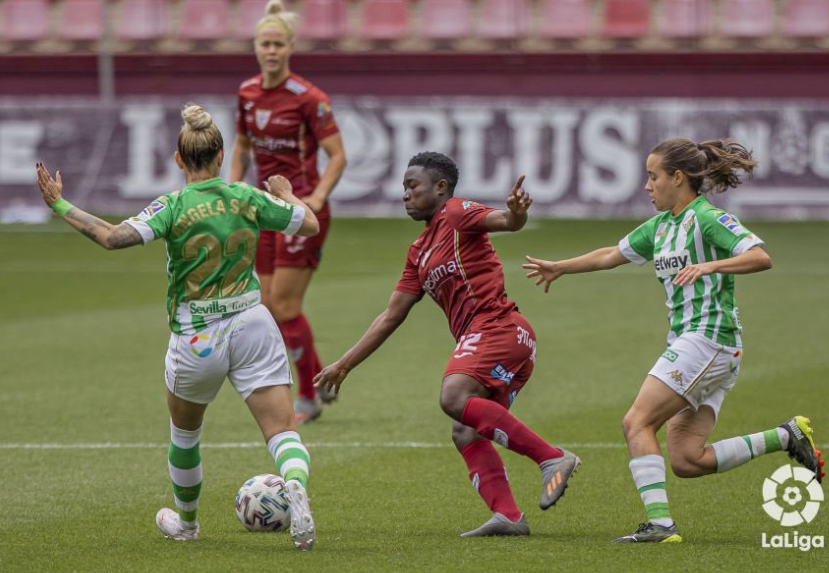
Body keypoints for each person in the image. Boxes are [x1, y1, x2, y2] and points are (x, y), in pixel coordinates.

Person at [35, 104, 320, 551]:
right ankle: (295, 485)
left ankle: (187, 522)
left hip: (198, 335)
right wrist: (287, 194)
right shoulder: (247, 197)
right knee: (282, 430)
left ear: (178, 159)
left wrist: (59, 204)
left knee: (185, 433)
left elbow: (111, 237)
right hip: (252, 323)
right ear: (222, 155)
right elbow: (309, 223)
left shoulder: (171, 206)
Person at [524, 138, 824, 543]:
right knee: (687, 459)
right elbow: (612, 253)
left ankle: (660, 526)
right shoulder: (661, 227)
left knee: (637, 422)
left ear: (678, 177)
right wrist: (560, 266)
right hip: (705, 347)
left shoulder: (707, 218)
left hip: (708, 340)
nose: (647, 186)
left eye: (653, 176)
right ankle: (786, 436)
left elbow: (759, 256)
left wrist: (709, 265)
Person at [314, 151, 580, 537]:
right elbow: (391, 315)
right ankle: (508, 516)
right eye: (403, 187)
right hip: (503, 339)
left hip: (498, 327)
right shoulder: (418, 252)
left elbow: (506, 221)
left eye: (412, 186)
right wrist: (343, 364)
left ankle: (552, 458)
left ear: (440, 188)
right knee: (465, 431)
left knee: (453, 395)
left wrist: (517, 213)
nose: (405, 194)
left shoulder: (456, 213)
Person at [230, 0, 347, 424]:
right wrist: (233, 187)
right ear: (256, 47)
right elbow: (242, 147)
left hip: (300, 213)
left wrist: (316, 196)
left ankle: (310, 397)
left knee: (283, 303)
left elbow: (337, 156)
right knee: (266, 302)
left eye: (279, 44)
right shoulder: (246, 93)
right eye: (266, 44)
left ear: (291, 46)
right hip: (262, 211)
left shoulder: (309, 98)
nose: (272, 51)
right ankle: (318, 380)